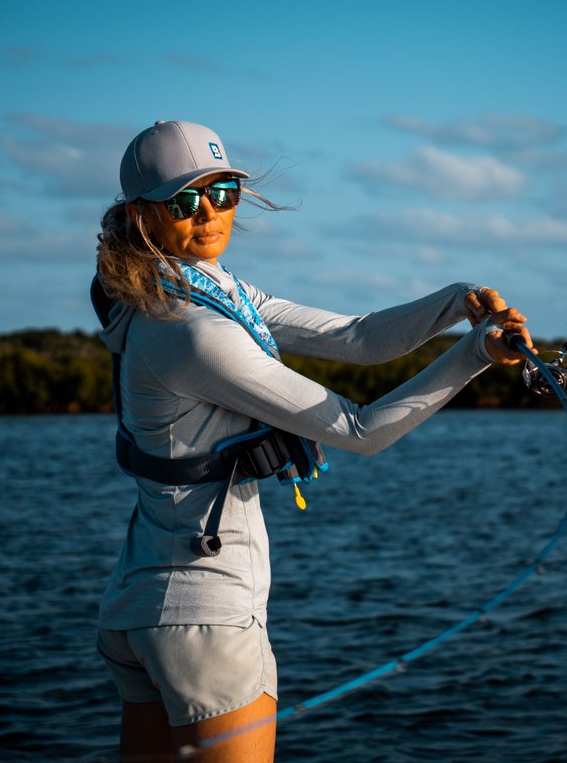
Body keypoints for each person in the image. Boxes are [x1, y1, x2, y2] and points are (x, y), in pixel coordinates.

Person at [92, 119, 535, 762]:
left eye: (223, 192)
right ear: (139, 216)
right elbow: (361, 430)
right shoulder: (194, 331)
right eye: (184, 201)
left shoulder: (193, 290)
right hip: (206, 617)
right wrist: (473, 355)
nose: (209, 213)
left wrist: (455, 303)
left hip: (139, 608)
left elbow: (356, 338)